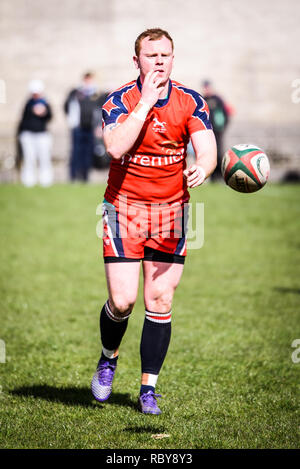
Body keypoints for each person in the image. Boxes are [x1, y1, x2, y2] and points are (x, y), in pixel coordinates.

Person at [91, 28, 217, 414]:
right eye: (151, 55)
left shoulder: (191, 101)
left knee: (160, 300)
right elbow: (115, 147)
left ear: (173, 59)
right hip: (123, 211)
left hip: (172, 214)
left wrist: (204, 166)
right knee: (122, 300)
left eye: (166, 55)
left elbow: (208, 150)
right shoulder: (118, 101)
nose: (159, 61)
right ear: (137, 61)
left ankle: (148, 389)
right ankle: (109, 357)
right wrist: (145, 102)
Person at [64, 72, 108, 182]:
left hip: (91, 128)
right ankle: (73, 176)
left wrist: (99, 126)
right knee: (76, 152)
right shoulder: (76, 93)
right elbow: (67, 106)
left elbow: (101, 109)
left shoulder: (97, 95)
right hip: (78, 127)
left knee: (88, 153)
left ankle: (85, 177)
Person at [18, 80, 53, 187]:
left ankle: (45, 181)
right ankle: (28, 181)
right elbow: (24, 119)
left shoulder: (46, 103)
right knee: (29, 158)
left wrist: (44, 111)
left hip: (42, 135)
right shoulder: (28, 103)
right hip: (28, 135)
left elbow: (49, 116)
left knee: (44, 158)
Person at [202, 80, 231, 181]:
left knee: (219, 153)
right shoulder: (203, 99)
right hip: (207, 132)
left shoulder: (217, 99)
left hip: (218, 131)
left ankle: (220, 175)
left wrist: (223, 127)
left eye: (208, 87)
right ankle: (212, 176)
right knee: (209, 153)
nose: (206, 89)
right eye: (205, 87)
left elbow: (226, 113)